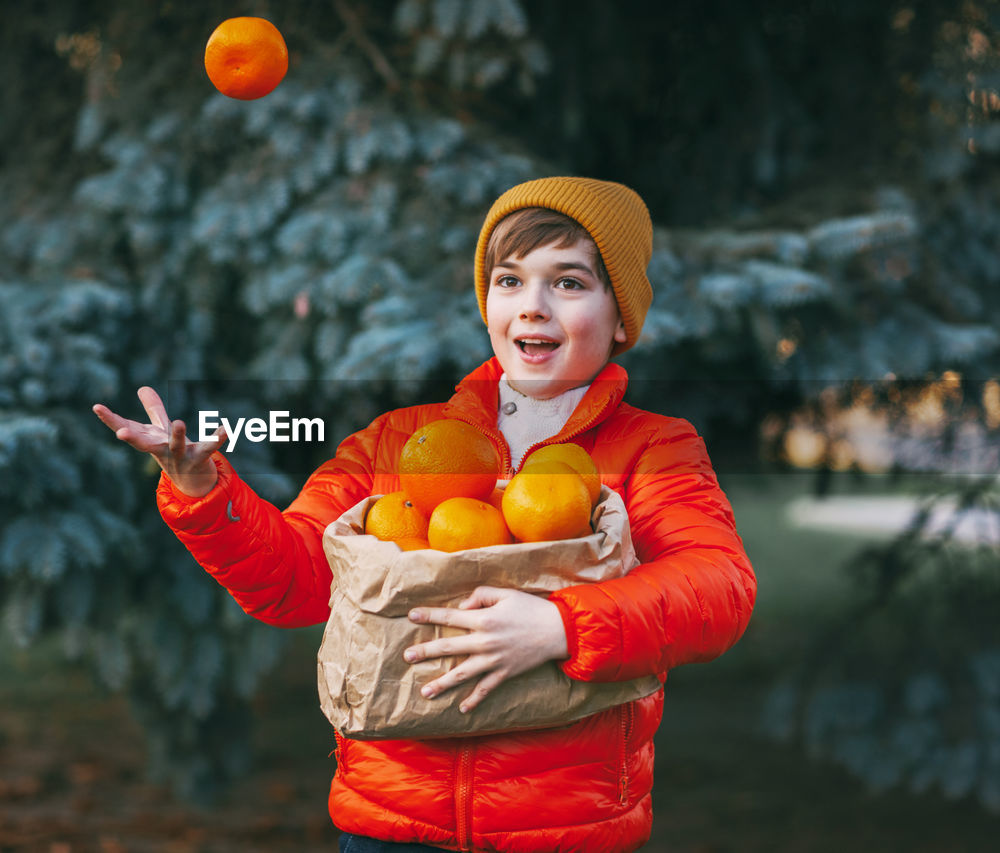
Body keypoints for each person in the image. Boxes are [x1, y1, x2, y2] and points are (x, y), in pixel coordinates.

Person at [93, 176, 756, 852]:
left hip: (563, 830)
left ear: (621, 316)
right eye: (508, 280)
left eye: (569, 283)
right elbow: (294, 581)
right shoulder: (397, 441)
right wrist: (204, 492)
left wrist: (560, 625)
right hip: (389, 823)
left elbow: (719, 585)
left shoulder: (653, 447)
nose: (532, 306)